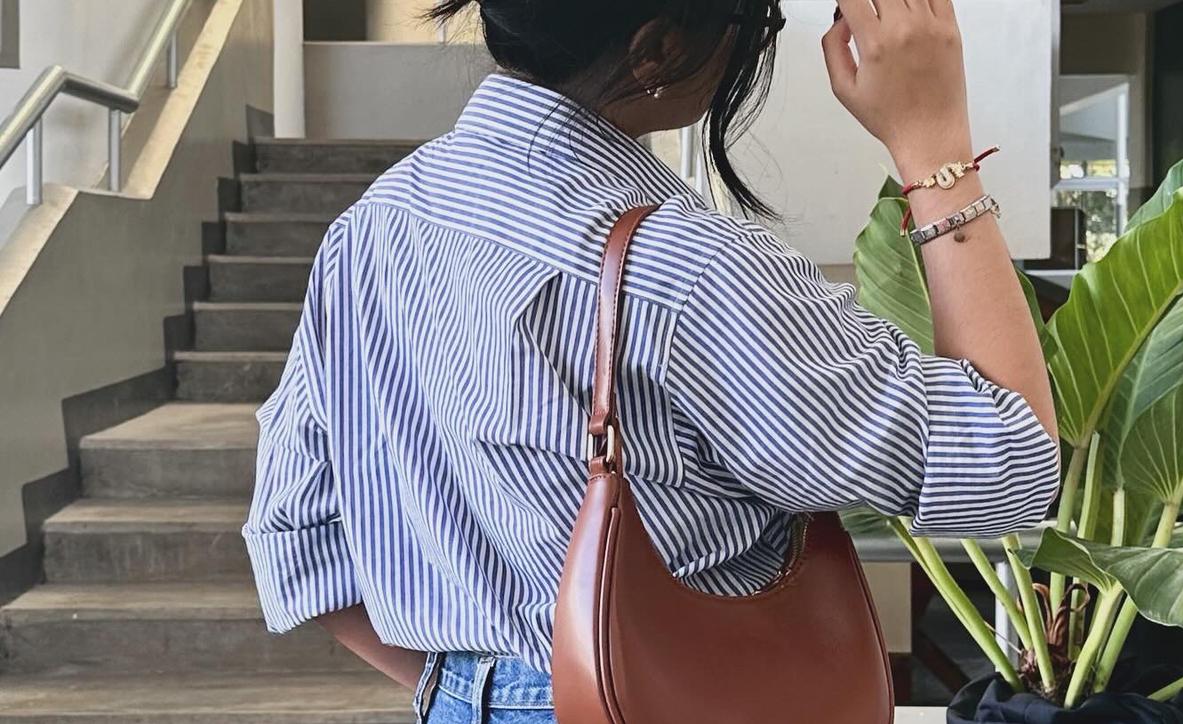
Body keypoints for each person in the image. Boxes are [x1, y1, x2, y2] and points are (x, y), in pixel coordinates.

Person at [242, 0, 1061, 721]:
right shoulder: (689, 271)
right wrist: (934, 146)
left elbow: (293, 537)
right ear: (659, 49)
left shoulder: (371, 230)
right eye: (755, 22)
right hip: (700, 701)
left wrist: (483, 691)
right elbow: (1011, 459)